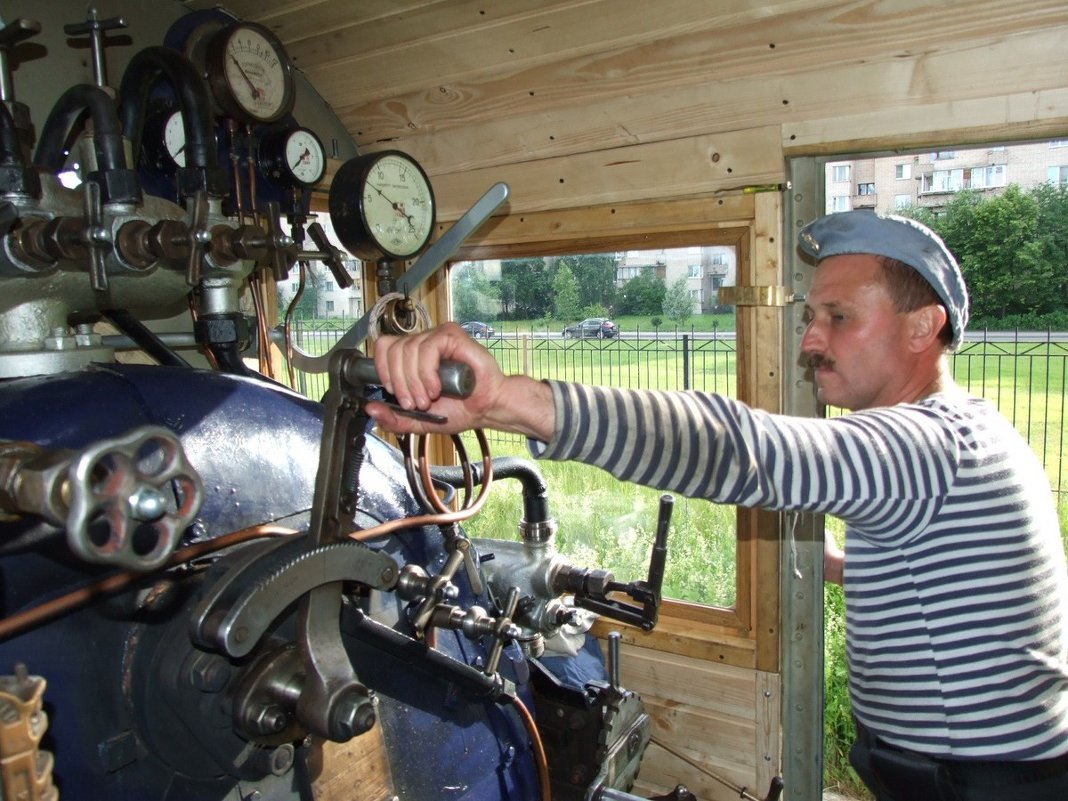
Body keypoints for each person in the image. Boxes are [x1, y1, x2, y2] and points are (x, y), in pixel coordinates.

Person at [367, 210, 1068, 801]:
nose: (810, 339)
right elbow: (951, 573)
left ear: (923, 327)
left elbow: (739, 447)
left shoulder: (929, 442)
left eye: (839, 316)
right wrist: (848, 567)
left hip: (980, 779)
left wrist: (504, 400)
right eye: (811, 316)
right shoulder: (963, 433)